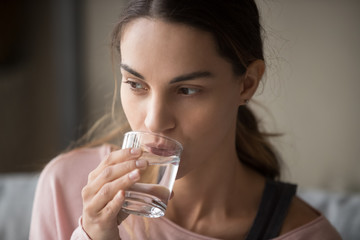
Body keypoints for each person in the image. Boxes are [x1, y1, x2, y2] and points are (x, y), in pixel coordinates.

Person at [30, 0, 342, 239]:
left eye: (187, 90)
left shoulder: (307, 234)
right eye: (136, 84)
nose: (154, 122)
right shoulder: (65, 186)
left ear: (246, 84)